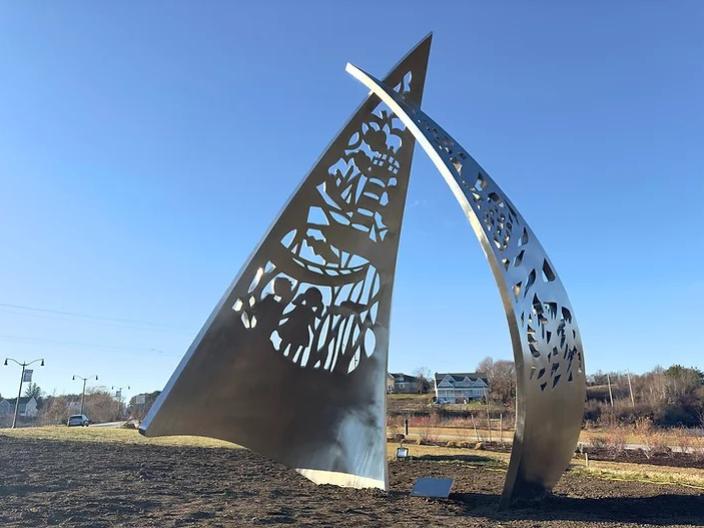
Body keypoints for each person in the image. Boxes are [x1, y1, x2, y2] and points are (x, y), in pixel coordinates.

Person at [277, 287, 323, 365]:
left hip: (300, 333)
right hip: (291, 329)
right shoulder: (300, 307)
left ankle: (287, 364)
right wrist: (280, 317)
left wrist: (315, 333)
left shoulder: (311, 313)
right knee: (283, 346)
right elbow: (290, 314)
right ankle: (279, 358)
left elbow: (312, 325)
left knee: (292, 351)